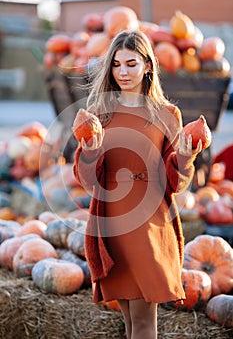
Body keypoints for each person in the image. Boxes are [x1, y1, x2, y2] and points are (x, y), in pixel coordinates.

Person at [72, 29, 202, 339]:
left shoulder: (167, 115)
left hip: (149, 224)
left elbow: (176, 182)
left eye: (131, 63)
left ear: (147, 65)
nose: (123, 72)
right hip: (113, 224)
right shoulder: (98, 115)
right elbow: (86, 180)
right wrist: (90, 152)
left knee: (144, 322)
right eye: (116, 64)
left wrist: (185, 158)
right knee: (130, 321)